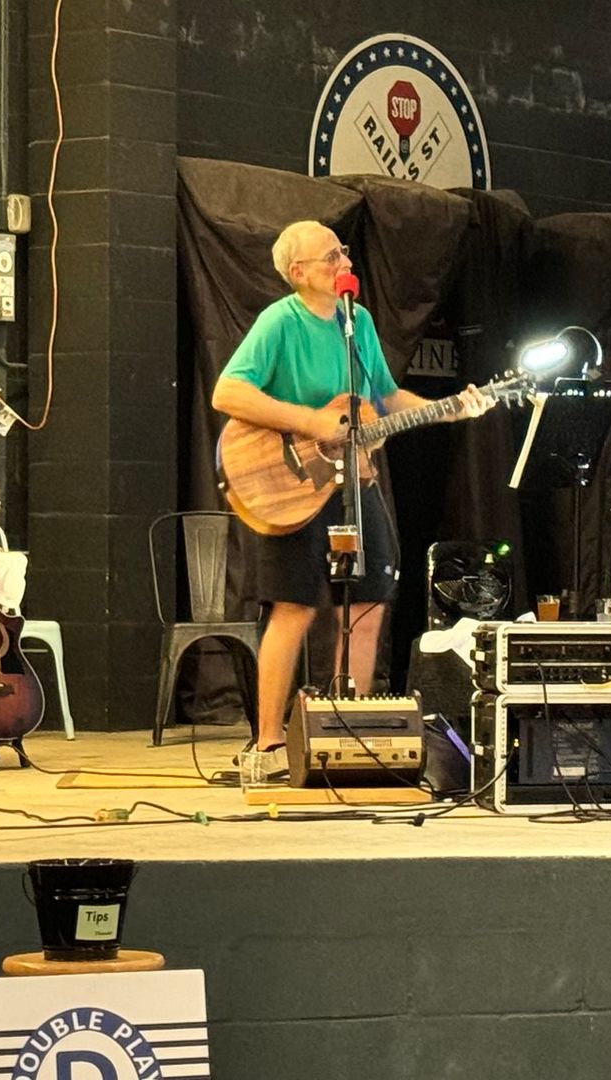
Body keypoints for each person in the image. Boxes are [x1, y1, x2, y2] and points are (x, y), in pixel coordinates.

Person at [213, 220, 491, 777]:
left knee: (366, 601)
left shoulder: (355, 322)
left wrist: (451, 406)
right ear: (298, 274)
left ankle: (349, 730)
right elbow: (228, 391)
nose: (344, 262)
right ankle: (268, 745)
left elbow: (385, 400)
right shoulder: (279, 321)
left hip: (353, 486)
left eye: (343, 252)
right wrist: (312, 420)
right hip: (290, 486)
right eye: (330, 256)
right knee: (293, 607)